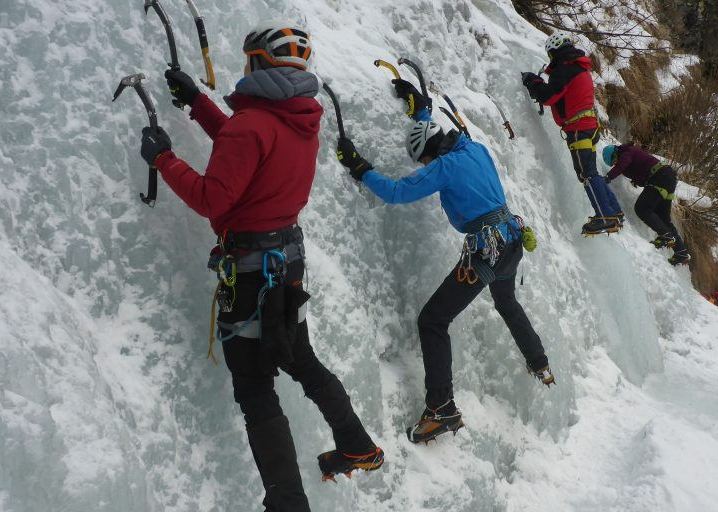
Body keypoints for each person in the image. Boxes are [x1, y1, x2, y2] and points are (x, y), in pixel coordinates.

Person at [138, 20, 382, 510]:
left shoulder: (254, 125)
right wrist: (199, 105)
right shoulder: (301, 118)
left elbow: (212, 196)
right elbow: (248, 144)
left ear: (258, 64)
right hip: (287, 265)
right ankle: (357, 443)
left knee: (254, 386)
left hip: (249, 275)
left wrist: (164, 158)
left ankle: (288, 503)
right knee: (301, 359)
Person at [334, 79, 555, 444]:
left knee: (433, 320)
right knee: (506, 302)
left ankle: (441, 408)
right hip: (511, 239)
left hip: (488, 248)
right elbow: (448, 134)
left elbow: (395, 192)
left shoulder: (443, 166)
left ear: (429, 154)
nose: (423, 165)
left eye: (422, 159)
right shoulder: (475, 148)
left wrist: (359, 166)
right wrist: (422, 110)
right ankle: (539, 361)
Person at [521, 32, 624, 236]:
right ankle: (614, 213)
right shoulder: (579, 67)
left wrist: (532, 81)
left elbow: (549, 96)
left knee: (586, 174)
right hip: (588, 126)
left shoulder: (564, 69)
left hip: (578, 129)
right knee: (591, 172)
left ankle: (605, 216)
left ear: (553, 52)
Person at [602, 144, 691, 266]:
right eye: (613, 163)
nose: (616, 163)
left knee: (642, 208)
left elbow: (623, 164)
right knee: (664, 219)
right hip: (667, 178)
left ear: (615, 153)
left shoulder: (626, 152)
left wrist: (607, 177)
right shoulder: (628, 153)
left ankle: (665, 235)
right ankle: (681, 253)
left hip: (660, 177)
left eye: (614, 160)